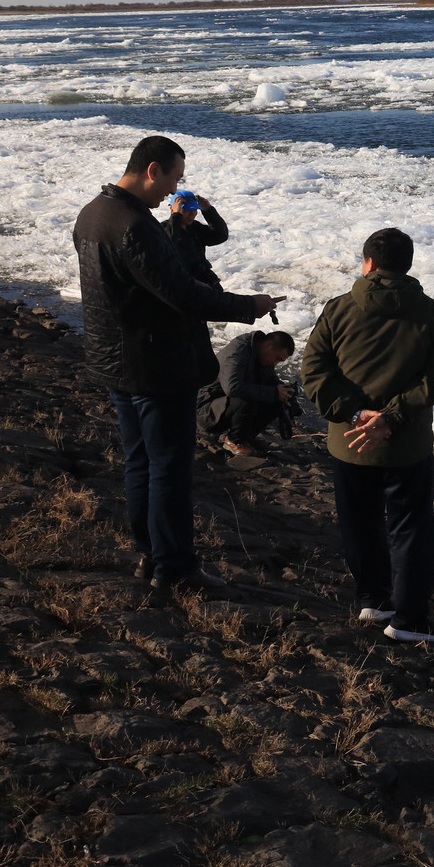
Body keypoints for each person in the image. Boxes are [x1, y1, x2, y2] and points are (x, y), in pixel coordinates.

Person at [73, 134, 280, 590]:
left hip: (115, 362)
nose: (174, 190)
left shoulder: (92, 214)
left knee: (140, 462)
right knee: (168, 469)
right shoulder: (135, 226)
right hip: (156, 366)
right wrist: (249, 305)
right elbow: (184, 295)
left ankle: (149, 555)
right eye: (174, 178)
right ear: (153, 170)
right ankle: (176, 568)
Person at [301, 228, 434, 644]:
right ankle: (409, 619)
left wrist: (355, 413)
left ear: (368, 263)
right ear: (407, 264)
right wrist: (390, 418)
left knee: (360, 522)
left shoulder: (338, 309)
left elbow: (313, 371)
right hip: (406, 446)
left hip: (348, 443)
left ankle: (373, 598)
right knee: (411, 529)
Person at [201, 329, 297, 455]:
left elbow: (270, 381)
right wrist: (274, 392)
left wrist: (286, 391)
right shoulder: (238, 351)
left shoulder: (262, 354)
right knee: (249, 396)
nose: (275, 363)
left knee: (277, 398)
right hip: (206, 409)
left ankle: (246, 437)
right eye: (277, 358)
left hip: (225, 405)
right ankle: (234, 441)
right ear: (268, 345)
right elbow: (233, 387)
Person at [164, 190, 230, 288]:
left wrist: (208, 210)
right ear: (173, 210)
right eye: (185, 211)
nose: (192, 214)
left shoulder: (195, 227)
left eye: (194, 210)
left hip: (204, 279)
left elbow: (220, 236)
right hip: (182, 284)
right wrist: (176, 217)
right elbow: (167, 245)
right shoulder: (163, 229)